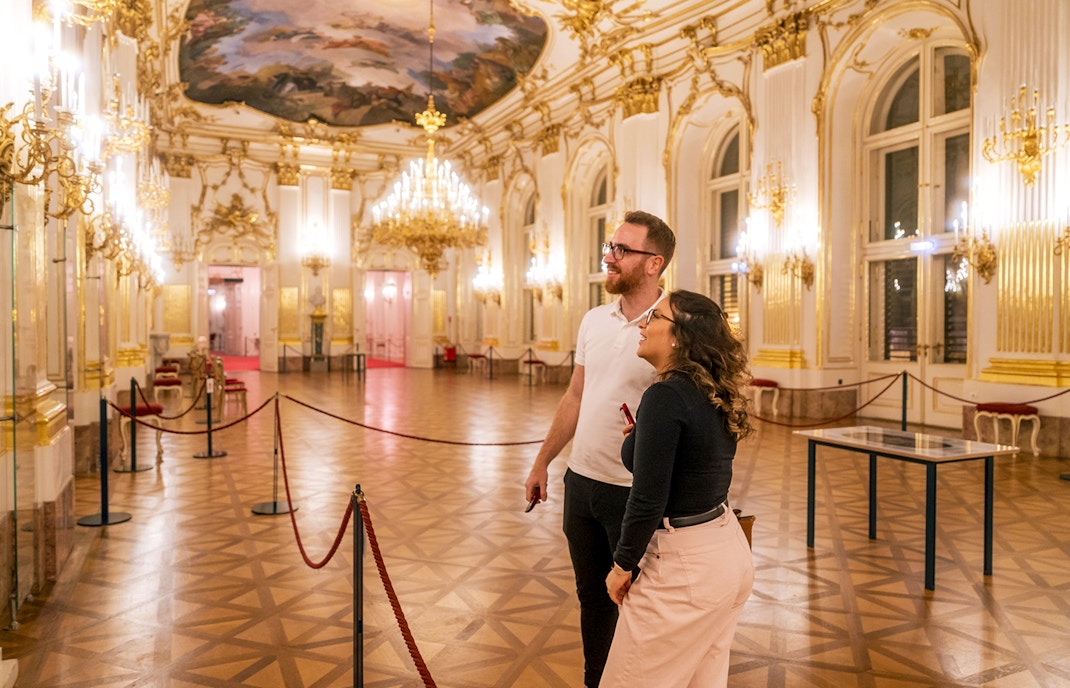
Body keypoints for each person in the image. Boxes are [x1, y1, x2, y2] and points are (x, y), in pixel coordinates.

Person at [524, 210, 676, 688]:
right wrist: (542, 461)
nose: (609, 257)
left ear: (654, 263)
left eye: (622, 250)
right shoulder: (594, 319)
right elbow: (575, 395)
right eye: (610, 247)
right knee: (592, 597)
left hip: (634, 493)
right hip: (581, 483)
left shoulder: (675, 325)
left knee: (641, 602)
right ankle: (597, 681)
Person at [600, 290, 755, 687]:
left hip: (685, 568)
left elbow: (649, 497)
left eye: (654, 317)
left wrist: (622, 566)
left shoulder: (665, 395)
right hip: (726, 552)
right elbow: (694, 461)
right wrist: (644, 439)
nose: (643, 323)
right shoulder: (710, 390)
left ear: (678, 337)